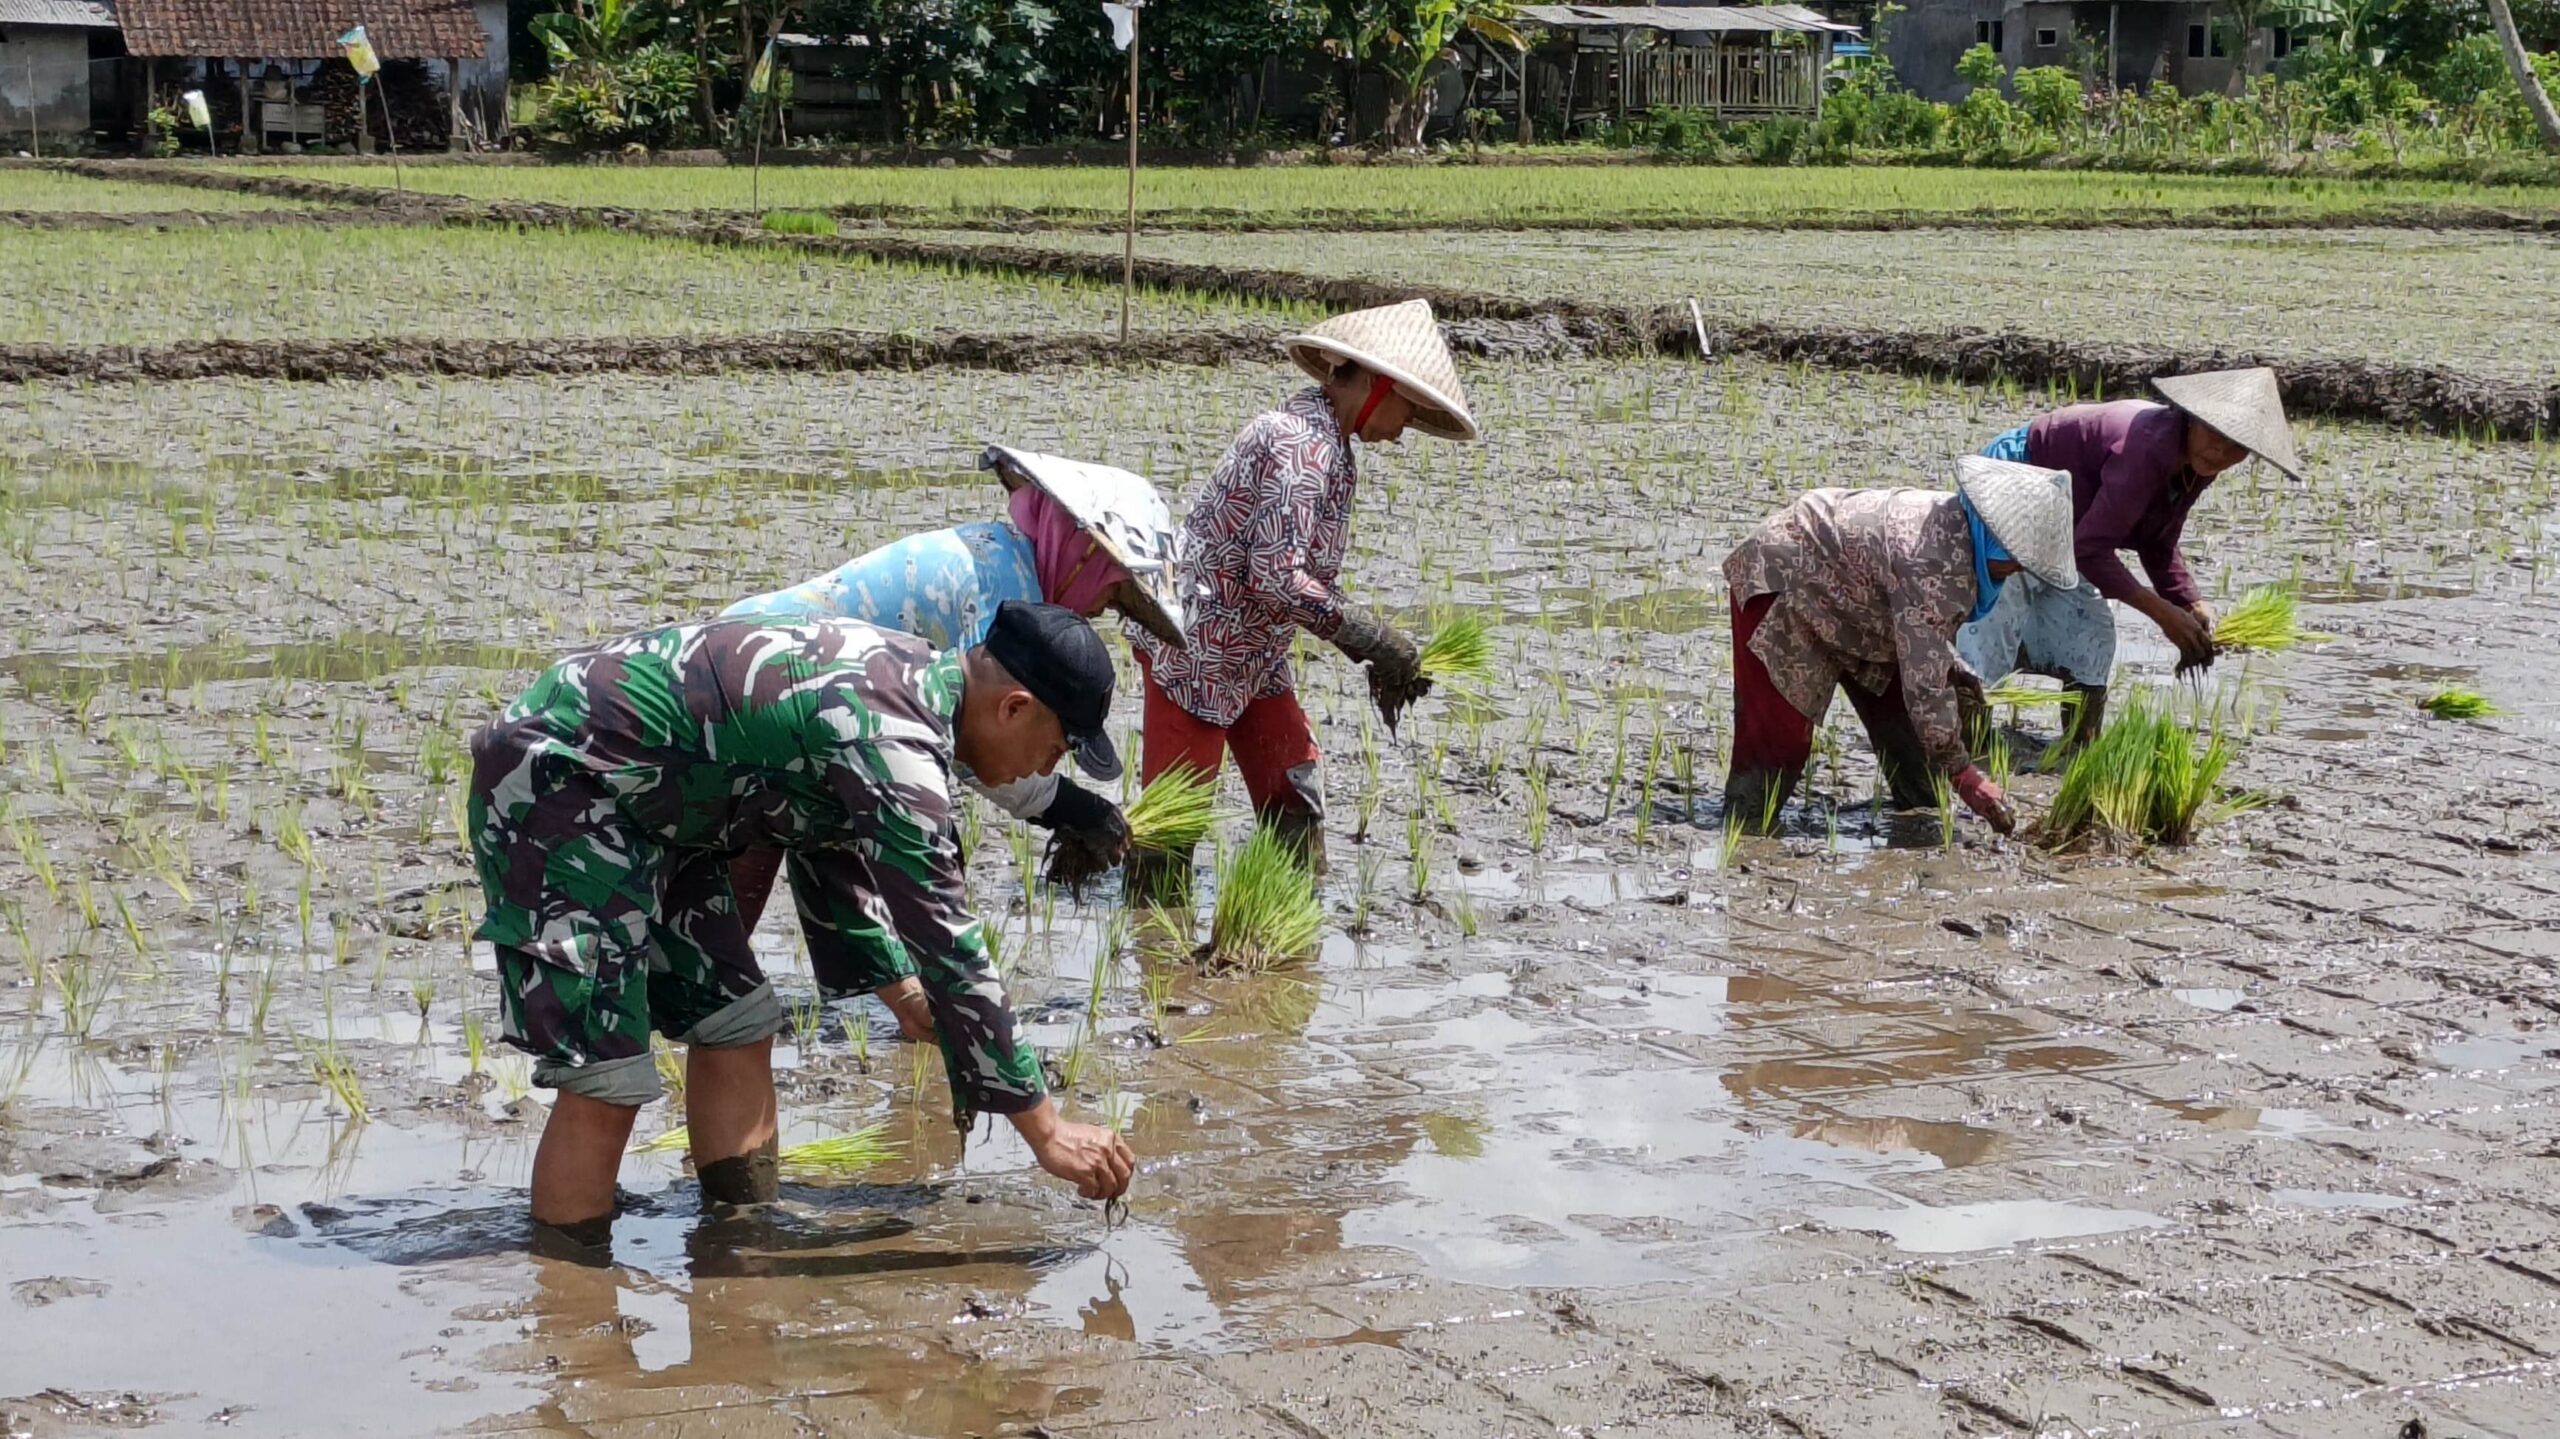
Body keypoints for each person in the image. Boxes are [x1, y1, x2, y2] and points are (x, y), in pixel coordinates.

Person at [467, 601, 1137, 1248]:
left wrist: (901, 993)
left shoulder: (913, 688)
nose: (1043, 771)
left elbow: (825, 836)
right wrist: (1047, 1129)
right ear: (1014, 706)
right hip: (562, 777)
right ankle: (572, 1302)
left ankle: (735, 1241)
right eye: (1054, 749)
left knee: (736, 1018)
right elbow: (950, 944)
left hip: (661, 803)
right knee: (605, 1072)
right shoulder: (895, 740)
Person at [722, 447, 1187, 990]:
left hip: (774, 687)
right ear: (1084, 557)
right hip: (759, 683)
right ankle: (932, 1003)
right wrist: (1072, 807)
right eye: (1113, 588)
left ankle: (723, 1010)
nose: (1105, 608)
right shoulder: (1000, 589)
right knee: (755, 871)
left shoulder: (1002, 558)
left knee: (757, 864)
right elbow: (980, 740)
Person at [1126, 298, 1480, 894]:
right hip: (1198, 648)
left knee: (1293, 791)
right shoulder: (1301, 448)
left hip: (1254, 652)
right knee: (1172, 831)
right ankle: (1159, 959)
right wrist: (1371, 639)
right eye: (1407, 412)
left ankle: (1291, 945)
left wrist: (1366, 643)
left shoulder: (1330, 446)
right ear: (1376, 384)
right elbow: (1277, 578)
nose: (1401, 433)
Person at [1722, 456, 2079, 836]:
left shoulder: (1965, 535)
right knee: (1780, 741)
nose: (2018, 571)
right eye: (2016, 562)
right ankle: (1745, 831)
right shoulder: (1936, 561)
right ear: (1996, 540)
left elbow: (1927, 649)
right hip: (1788, 578)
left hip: (1864, 608)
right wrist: (1968, 778)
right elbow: (1925, 683)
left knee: (1913, 745)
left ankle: (1918, 815)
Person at [1956, 367, 2305, 744]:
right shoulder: (2147, 447)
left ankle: (2081, 751)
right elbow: (2091, 549)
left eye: (2236, 446)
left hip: (2066, 522)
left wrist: (2190, 603)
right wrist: (2160, 613)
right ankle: (1963, 748)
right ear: (2192, 420)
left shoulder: (2196, 464)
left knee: (2091, 634)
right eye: (2214, 434)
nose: (2220, 451)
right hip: (2016, 485)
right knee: (1995, 620)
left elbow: (2158, 542)